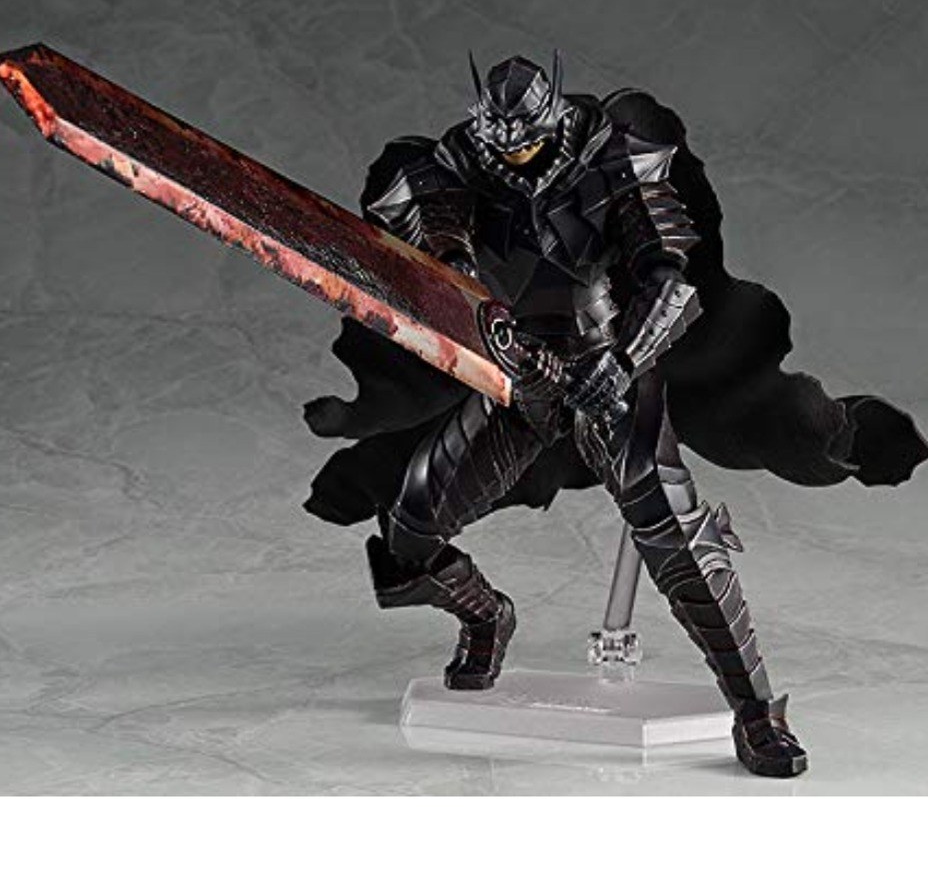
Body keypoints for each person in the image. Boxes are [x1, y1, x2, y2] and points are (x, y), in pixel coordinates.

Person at [303, 54, 928, 778]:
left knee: (681, 547)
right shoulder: (464, 160)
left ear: (552, 124)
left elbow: (670, 278)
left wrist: (622, 361)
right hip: (518, 377)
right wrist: (452, 272)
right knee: (409, 533)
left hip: (608, 368)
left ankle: (757, 714)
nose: (513, 159)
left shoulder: (611, 157)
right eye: (500, 146)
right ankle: (486, 615)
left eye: (526, 144)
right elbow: (426, 244)